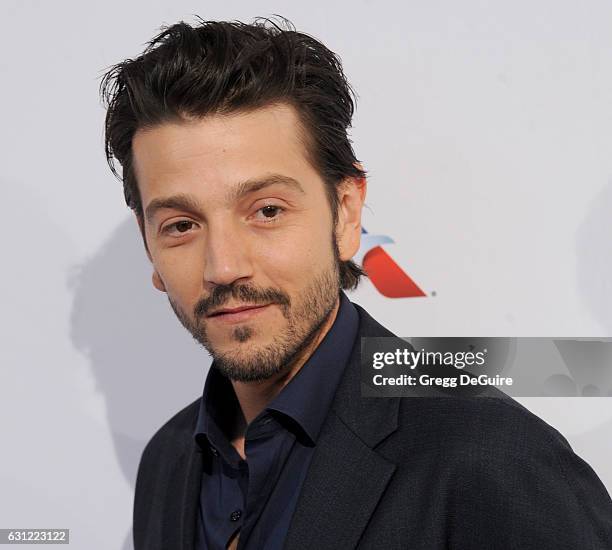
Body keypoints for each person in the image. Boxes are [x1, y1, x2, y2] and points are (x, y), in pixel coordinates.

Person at [100, 16, 612, 550]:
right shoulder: (169, 461)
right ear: (149, 246)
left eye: (267, 210)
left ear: (345, 214)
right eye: (181, 225)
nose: (224, 267)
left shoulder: (491, 458)